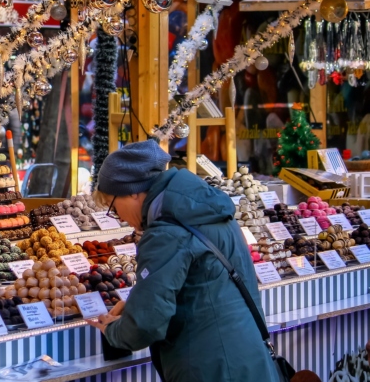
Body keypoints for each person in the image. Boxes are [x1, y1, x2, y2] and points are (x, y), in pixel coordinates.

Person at [88, 140, 280, 382]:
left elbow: (146, 324)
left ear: (133, 190)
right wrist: (143, 297)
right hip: (249, 358)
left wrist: (113, 331)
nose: (120, 218)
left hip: (210, 369)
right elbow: (203, 285)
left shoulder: (166, 231)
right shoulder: (211, 212)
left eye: (113, 208)